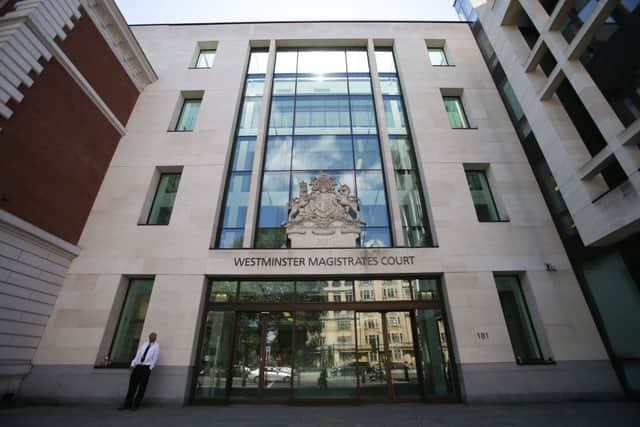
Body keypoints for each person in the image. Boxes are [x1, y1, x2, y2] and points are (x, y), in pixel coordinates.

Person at [118, 332, 159, 411]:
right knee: (132, 386)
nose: (152, 337)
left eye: (154, 337)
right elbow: (138, 354)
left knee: (142, 387)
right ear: (149, 337)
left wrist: (150, 367)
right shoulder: (144, 344)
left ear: (155, 338)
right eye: (151, 336)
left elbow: (155, 357)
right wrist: (133, 363)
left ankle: (136, 404)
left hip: (146, 367)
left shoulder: (156, 346)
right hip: (138, 366)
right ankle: (127, 404)